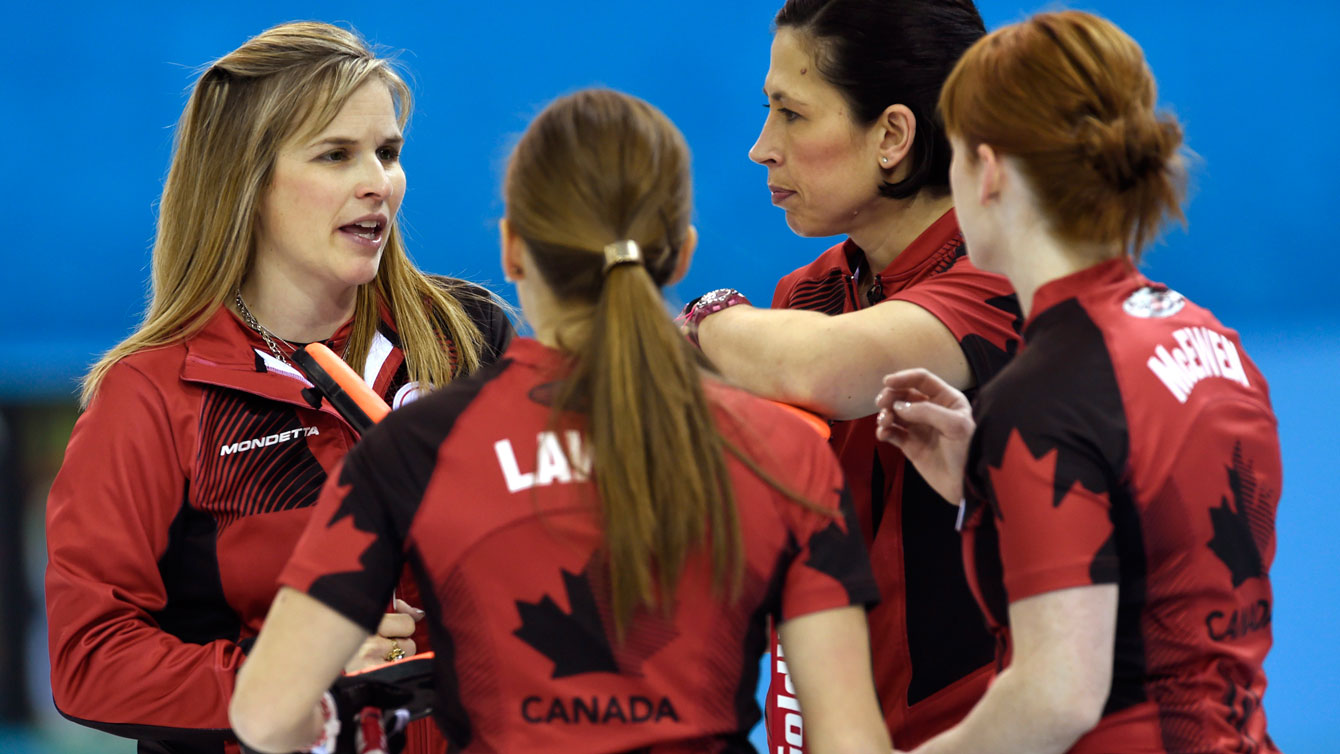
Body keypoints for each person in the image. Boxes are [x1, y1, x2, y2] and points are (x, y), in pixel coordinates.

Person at [227, 88, 891, 754]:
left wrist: (354, 719)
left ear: (513, 249)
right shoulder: (782, 451)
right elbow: (850, 742)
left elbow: (264, 715)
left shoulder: (415, 452)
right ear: (681, 253)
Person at [44, 21, 512, 754]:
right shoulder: (154, 395)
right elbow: (90, 661)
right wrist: (297, 678)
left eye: (387, 153)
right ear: (245, 181)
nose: (376, 183)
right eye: (335, 154)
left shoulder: (465, 335)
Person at [875, 10, 1281, 753]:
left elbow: (1056, 697)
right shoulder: (1210, 340)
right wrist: (988, 480)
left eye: (957, 155)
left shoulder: (1045, 399)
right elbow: (1164, 550)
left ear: (989, 171)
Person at [678, 0, 1018, 748]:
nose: (761, 148)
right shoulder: (810, 296)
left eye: (792, 114)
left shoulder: (1002, 277)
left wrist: (701, 316)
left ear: (893, 135)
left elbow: (831, 368)